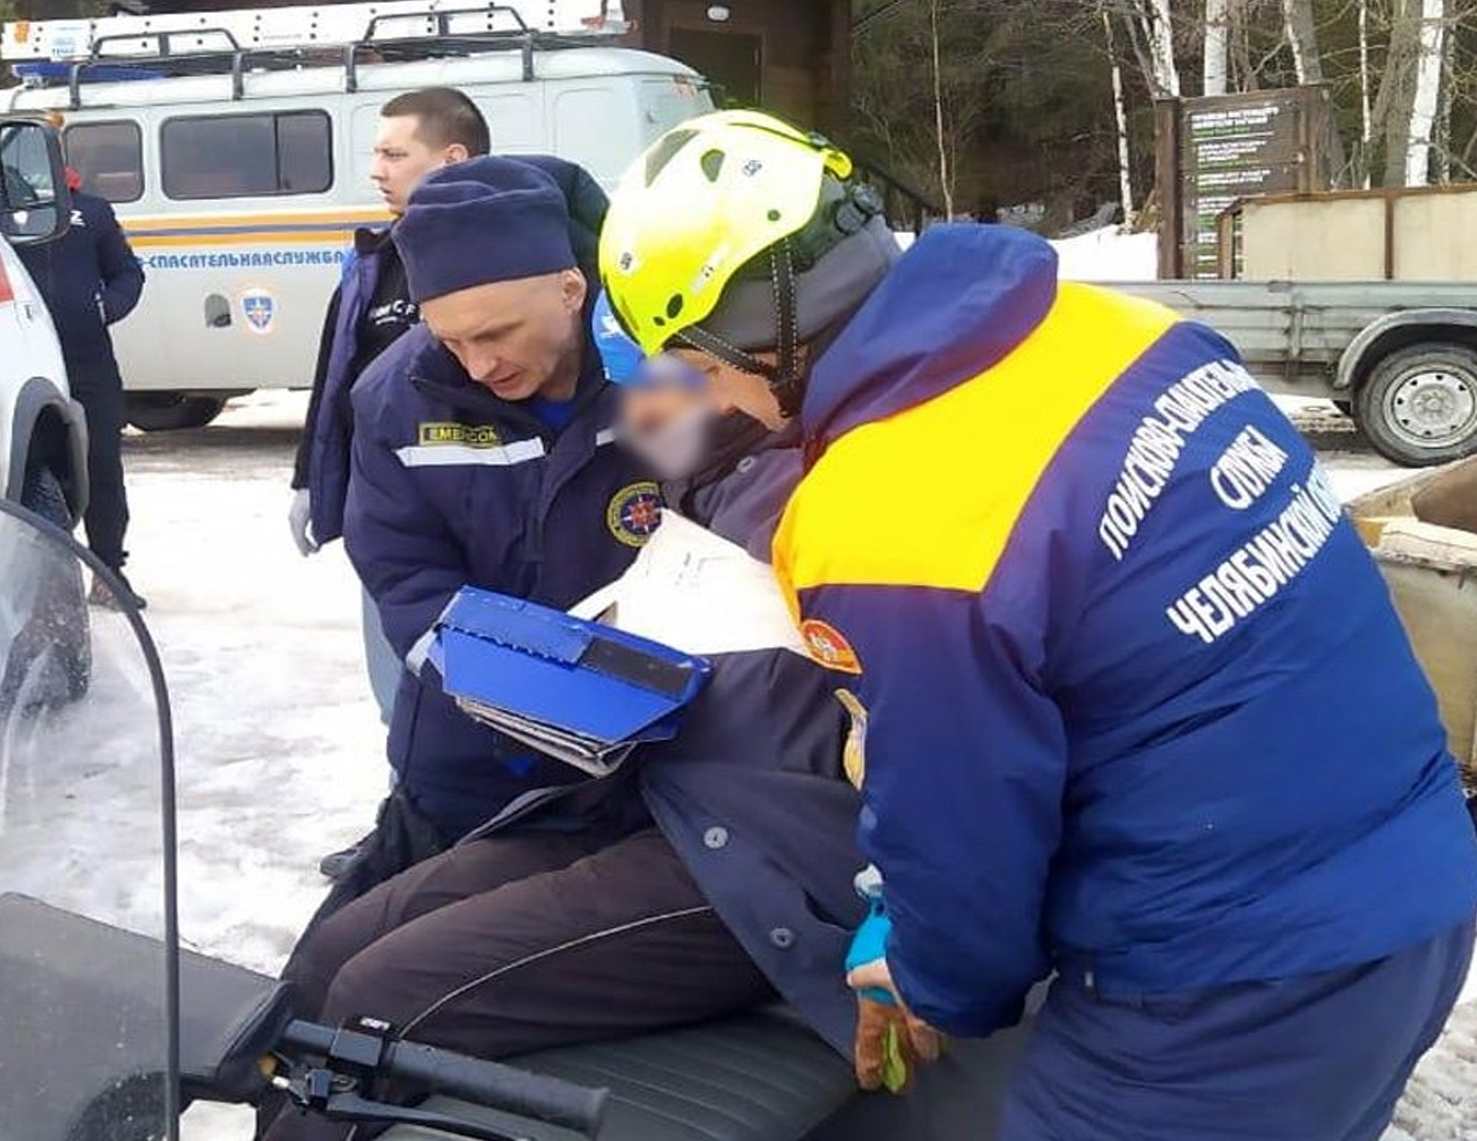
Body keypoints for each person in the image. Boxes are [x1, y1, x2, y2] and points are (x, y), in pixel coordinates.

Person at [597, 109, 1477, 1139]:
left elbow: (963, 825)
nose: (724, 401)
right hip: (1407, 883)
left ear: (760, 335)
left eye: (702, 368)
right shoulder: (1119, 331)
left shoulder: (886, 512)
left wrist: (929, 973)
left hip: (1227, 986)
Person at [258, 298, 1024, 1141]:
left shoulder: (846, 487)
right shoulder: (714, 467)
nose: (644, 407)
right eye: (631, 381)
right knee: (342, 941)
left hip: (761, 853)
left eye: (677, 377)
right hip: (652, 793)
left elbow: (949, 723)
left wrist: (904, 901)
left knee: (382, 994)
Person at [328, 155, 647, 896]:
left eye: (496, 334)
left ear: (572, 290)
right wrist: (545, 701)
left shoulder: (667, 374)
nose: (476, 366)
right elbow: (407, 582)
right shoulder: (396, 396)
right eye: (451, 340)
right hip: (471, 764)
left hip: (660, 764)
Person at [290, 88, 490, 720]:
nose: (377, 170)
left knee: (489, 695)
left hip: (484, 517)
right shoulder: (373, 262)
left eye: (394, 153)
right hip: (389, 524)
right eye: (377, 154)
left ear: (452, 159)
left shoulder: (505, 258)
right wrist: (308, 481)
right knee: (402, 694)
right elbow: (334, 379)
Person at [17, 168, 147, 608]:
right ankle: (41, 582)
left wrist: (105, 308)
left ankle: (109, 572)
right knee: (34, 470)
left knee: (102, 467)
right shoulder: (0, 214)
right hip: (24, 361)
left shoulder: (92, 211)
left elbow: (128, 274)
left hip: (88, 361)